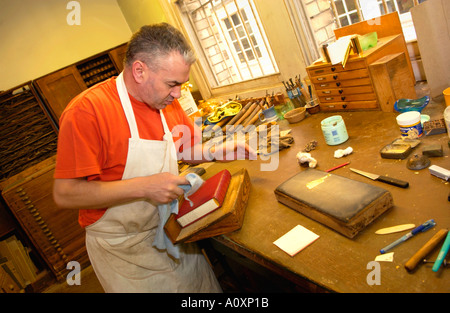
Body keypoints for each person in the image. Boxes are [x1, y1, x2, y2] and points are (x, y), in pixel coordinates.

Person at [53, 23, 255, 293]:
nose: (178, 94)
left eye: (182, 84)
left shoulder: (166, 101)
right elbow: (65, 193)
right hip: (125, 250)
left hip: (172, 229)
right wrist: (146, 186)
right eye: (172, 84)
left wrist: (213, 151)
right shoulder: (87, 112)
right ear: (139, 70)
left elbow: (180, 148)